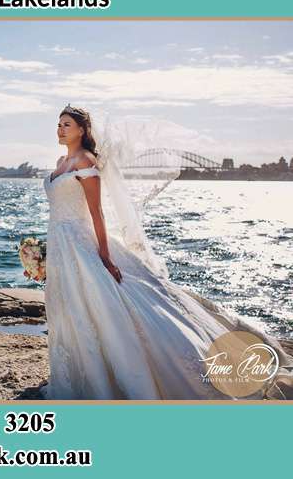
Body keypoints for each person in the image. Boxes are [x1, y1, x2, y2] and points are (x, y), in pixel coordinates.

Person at [41, 104, 291, 399]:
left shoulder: (86, 161)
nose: (60, 129)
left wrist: (105, 256)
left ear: (82, 130)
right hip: (59, 243)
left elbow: (96, 213)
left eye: (67, 124)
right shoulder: (61, 161)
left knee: (103, 305)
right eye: (59, 124)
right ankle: (76, 371)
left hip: (82, 245)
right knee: (69, 306)